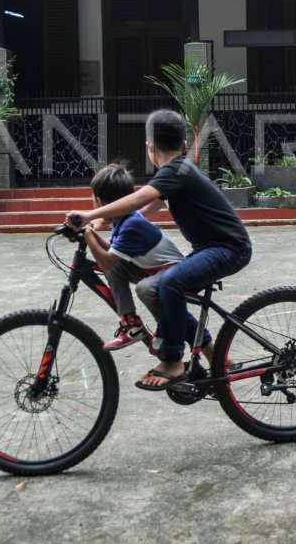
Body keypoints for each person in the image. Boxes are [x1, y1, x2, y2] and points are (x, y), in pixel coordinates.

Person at [68, 109, 252, 391]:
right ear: (184, 145)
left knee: (170, 282)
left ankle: (172, 361)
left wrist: (89, 216)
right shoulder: (177, 173)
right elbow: (142, 210)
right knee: (154, 287)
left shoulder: (176, 170)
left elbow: (138, 200)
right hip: (209, 249)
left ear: (149, 148)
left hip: (229, 249)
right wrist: (107, 220)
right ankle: (213, 352)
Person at [81, 162, 184, 352]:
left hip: (173, 269)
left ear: (100, 202)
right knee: (114, 268)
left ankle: (166, 330)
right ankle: (131, 323)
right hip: (152, 267)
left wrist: (87, 233)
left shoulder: (131, 225)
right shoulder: (123, 219)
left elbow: (105, 261)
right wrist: (91, 233)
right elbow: (113, 253)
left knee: (145, 288)